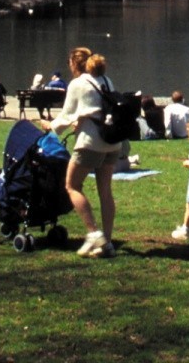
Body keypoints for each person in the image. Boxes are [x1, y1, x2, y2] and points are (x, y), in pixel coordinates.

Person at [50, 46, 120, 258]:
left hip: (91, 143)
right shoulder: (106, 80)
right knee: (105, 192)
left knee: (72, 185)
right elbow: (94, 109)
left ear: (74, 64)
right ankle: (106, 243)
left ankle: (93, 232)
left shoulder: (78, 84)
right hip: (112, 142)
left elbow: (66, 115)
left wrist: (49, 126)